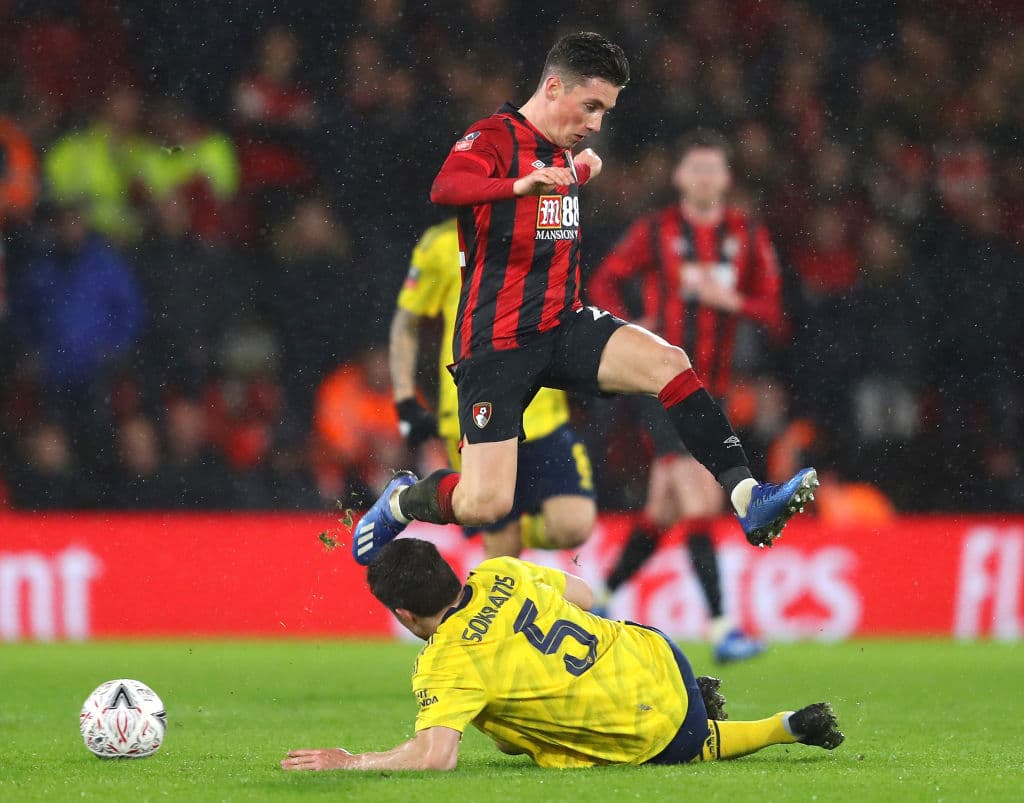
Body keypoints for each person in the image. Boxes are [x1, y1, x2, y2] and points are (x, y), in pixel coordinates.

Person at [353, 32, 817, 571]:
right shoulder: (494, 137)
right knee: (486, 503)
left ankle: (747, 498)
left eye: (605, 110)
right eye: (591, 106)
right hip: (496, 343)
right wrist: (517, 186)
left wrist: (573, 175)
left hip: (562, 325)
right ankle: (402, 500)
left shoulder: (563, 154)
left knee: (669, 363)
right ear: (553, 87)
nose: (597, 123)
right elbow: (446, 186)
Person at [281, 537, 844, 770]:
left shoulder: (446, 664)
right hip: (658, 651)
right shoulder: (497, 570)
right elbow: (586, 596)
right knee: (509, 728)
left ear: (405, 616)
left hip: (653, 723)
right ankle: (697, 691)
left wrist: (352, 762)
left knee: (686, 744)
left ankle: (782, 726)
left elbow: (434, 757)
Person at [586, 129, 784, 662]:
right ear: (678, 178)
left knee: (664, 509)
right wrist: (631, 326)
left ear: (726, 178)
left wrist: (733, 300)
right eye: (692, 168)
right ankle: (723, 630)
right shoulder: (657, 231)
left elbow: (775, 311)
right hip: (662, 385)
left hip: (713, 390)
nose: (701, 178)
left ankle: (598, 600)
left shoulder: (746, 235)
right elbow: (604, 281)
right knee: (702, 498)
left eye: (711, 169)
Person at [390, 217, 596, 558]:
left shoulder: (542, 229)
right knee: (500, 541)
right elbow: (406, 322)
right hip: (473, 410)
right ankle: (503, 567)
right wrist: (404, 399)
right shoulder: (440, 242)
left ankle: (512, 537)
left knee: (572, 524)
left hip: (541, 408)